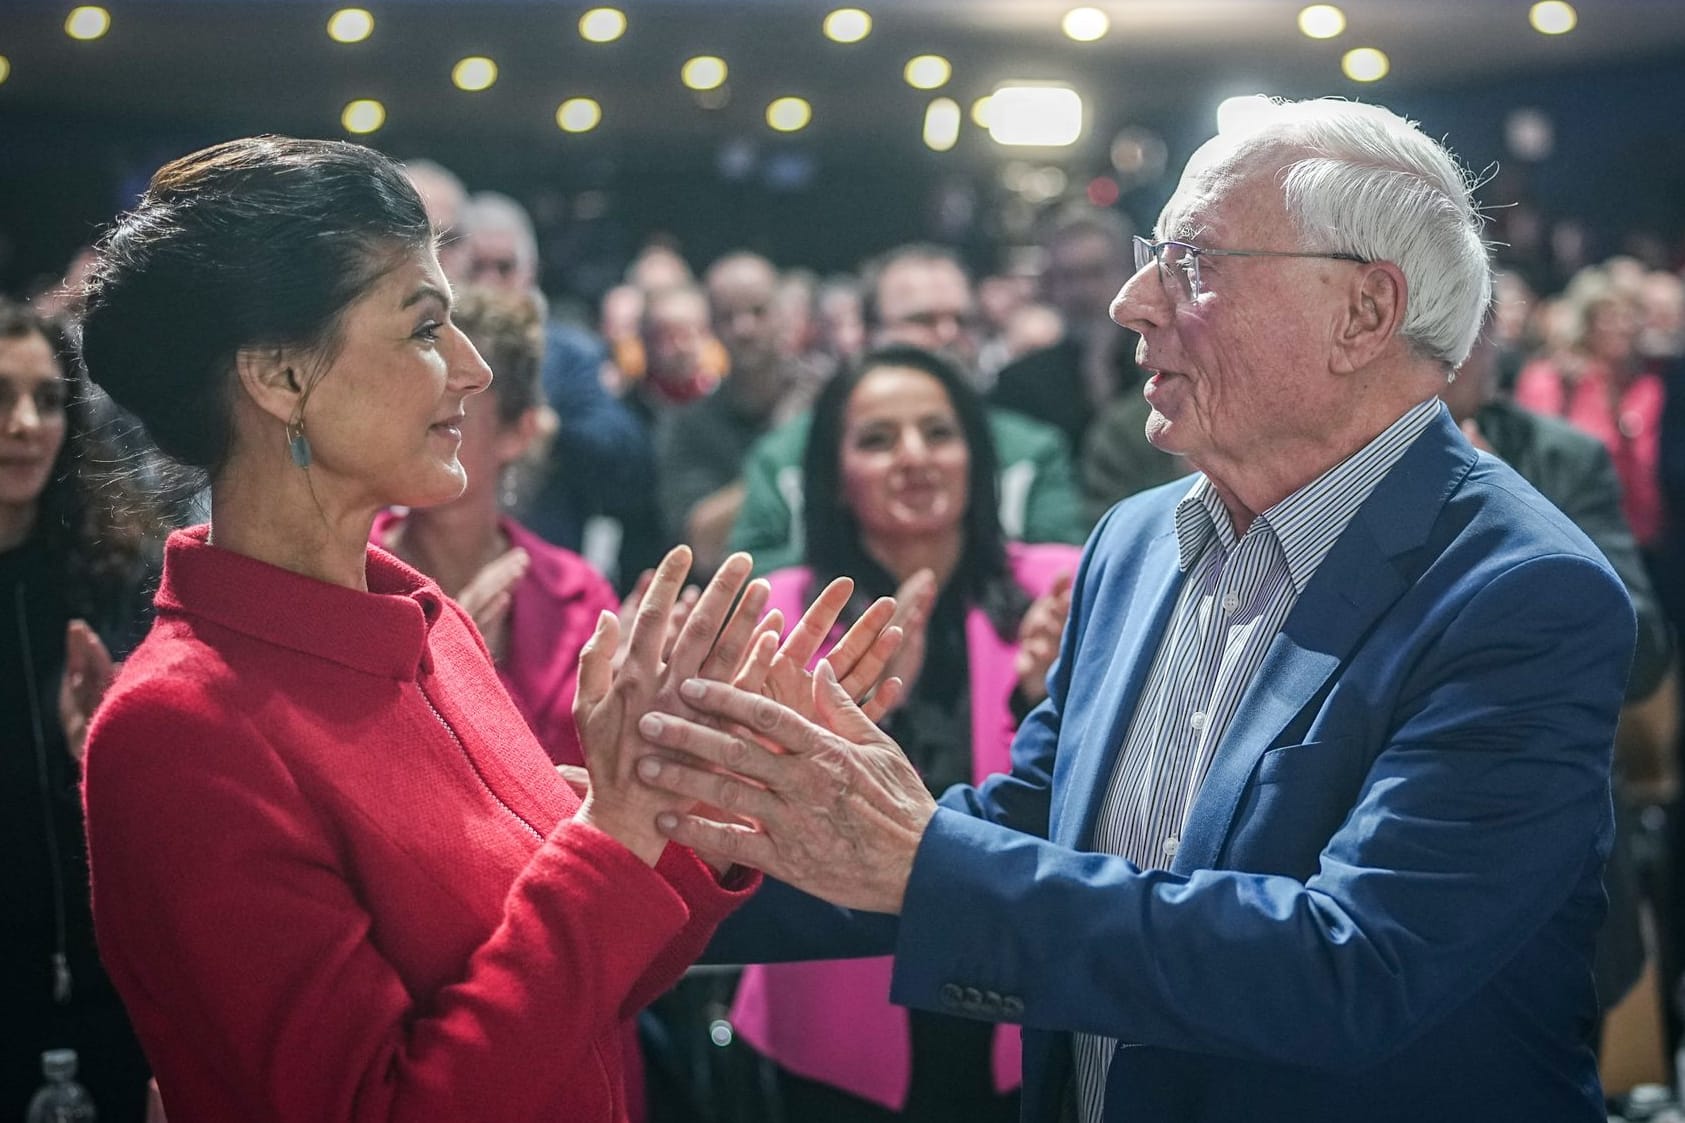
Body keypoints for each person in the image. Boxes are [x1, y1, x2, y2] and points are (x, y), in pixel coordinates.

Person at [637, 98, 1638, 1121]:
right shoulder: (1135, 539)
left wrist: (925, 861)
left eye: (1193, 264)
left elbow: (1353, 965)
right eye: (1149, 256)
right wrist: (674, 850)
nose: (1130, 300)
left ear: (1362, 314)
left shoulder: (1518, 591)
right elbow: (1043, 823)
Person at [73, 135, 775, 1123]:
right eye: (423, 328)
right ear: (279, 377)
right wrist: (611, 837)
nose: (473, 368)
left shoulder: (425, 624)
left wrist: (674, 808)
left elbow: (587, 987)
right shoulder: (177, 730)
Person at [729, 345, 1080, 1122]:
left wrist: (1043, 697)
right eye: (878, 439)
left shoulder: (1058, 588)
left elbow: (1103, 814)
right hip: (830, 1017)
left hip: (1017, 1002)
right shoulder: (774, 612)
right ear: (833, 473)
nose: (914, 458)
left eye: (937, 431)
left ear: (975, 454)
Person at [0, 301, 153, 1121]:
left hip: (104, 975)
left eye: (47, 400)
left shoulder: (113, 576)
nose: (25, 425)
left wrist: (107, 740)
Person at [728, 243, 1088, 574]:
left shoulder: (1031, 449)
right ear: (868, 335)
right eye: (923, 320)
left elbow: (1061, 577)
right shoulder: (787, 454)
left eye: (961, 320)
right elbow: (751, 578)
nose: (948, 335)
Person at [372, 284, 619, 766]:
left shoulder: (579, 597)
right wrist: (447, 669)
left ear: (518, 432)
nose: (428, 410)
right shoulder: (350, 570)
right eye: (420, 381)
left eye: (460, 395)